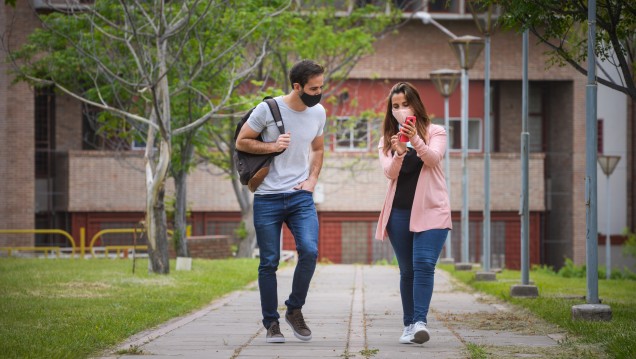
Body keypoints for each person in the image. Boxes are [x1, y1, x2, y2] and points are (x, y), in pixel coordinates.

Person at [235, 60, 326, 343]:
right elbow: (242, 141)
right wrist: (273, 146)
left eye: (321, 86)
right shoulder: (268, 109)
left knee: (309, 252)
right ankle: (271, 323)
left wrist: (312, 180)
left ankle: (294, 309)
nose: (319, 92)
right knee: (269, 262)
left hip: (300, 196)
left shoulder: (318, 112)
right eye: (314, 88)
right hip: (267, 197)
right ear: (297, 87)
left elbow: (318, 148)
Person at [374, 82, 452, 345]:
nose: (400, 110)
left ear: (415, 105)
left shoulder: (436, 131)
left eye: (405, 104)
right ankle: (408, 325)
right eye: (395, 106)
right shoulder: (387, 140)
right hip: (399, 214)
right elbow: (389, 173)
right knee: (407, 271)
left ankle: (420, 322)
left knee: (424, 265)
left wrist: (414, 138)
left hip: (433, 211)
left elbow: (432, 159)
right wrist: (398, 152)